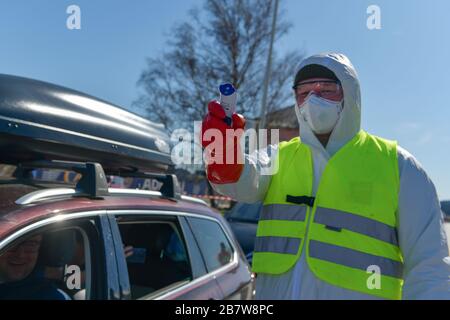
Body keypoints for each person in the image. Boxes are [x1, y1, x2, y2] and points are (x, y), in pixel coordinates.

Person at [201, 52, 450, 299]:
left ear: (350, 94)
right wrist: (223, 156)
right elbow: (241, 183)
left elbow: (430, 268)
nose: (313, 98)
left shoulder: (400, 167)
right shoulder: (279, 156)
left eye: (326, 89)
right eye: (304, 91)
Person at [0, 234, 70, 300]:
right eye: (12, 243)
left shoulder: (52, 296)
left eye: (31, 244)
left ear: (41, 249)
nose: (20, 255)